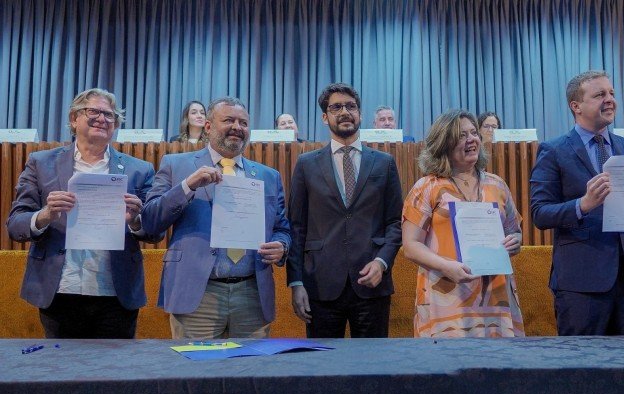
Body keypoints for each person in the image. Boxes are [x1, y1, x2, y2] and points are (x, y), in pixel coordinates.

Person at [5, 88, 160, 338]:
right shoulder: (41, 162)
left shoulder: (139, 169)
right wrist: (45, 215)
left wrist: (135, 221)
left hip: (116, 293)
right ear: (73, 119)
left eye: (109, 115)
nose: (102, 118)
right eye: (93, 111)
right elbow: (15, 224)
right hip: (60, 291)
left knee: (116, 374)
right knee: (62, 373)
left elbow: (153, 231)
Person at [141, 96, 291, 339]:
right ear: (208, 127)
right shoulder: (176, 165)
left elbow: (281, 227)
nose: (237, 127)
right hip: (198, 294)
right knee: (198, 374)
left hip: (251, 294)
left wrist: (282, 245)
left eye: (243, 123)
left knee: (250, 374)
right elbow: (149, 221)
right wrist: (187, 186)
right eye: (229, 120)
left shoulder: (268, 176)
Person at [529, 70, 624, 336]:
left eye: (612, 93)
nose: (610, 99)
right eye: (600, 94)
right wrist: (583, 204)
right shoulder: (554, 150)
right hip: (581, 284)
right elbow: (539, 213)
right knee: (581, 371)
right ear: (576, 106)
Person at [287, 84, 403, 338]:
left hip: (372, 282)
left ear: (360, 114)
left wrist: (382, 262)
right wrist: (296, 282)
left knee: (372, 370)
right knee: (323, 370)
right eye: (336, 107)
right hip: (320, 284)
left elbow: (395, 223)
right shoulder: (306, 164)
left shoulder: (384, 163)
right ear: (324, 116)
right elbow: (296, 226)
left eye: (351, 106)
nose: (345, 112)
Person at [402, 109, 524, 337]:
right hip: (446, 296)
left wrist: (515, 242)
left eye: (474, 133)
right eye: (461, 135)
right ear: (443, 143)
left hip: (495, 299)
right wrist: (446, 266)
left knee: (499, 367)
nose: (472, 140)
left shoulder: (497, 185)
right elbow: (410, 246)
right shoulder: (426, 187)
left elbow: (515, 233)